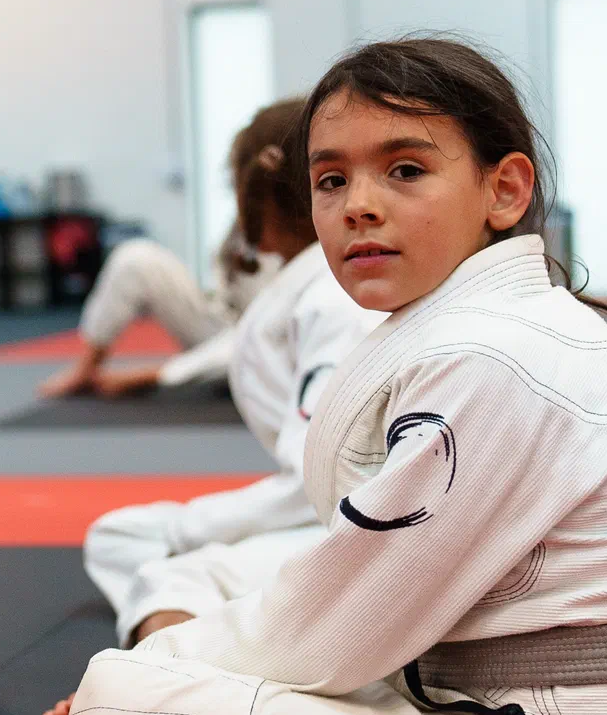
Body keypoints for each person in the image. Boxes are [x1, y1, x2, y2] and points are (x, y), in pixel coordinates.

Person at [38, 39, 607, 715]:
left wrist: (160, 672)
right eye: (331, 181)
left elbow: (329, 634)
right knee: (194, 644)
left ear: (503, 191)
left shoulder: (496, 360)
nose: (359, 206)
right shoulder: (490, 331)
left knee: (118, 706)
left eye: (404, 170)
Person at [21, 99, 386, 663]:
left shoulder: (333, 298)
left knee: (155, 568)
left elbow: (326, 482)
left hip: (359, 536)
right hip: (345, 519)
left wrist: (197, 526)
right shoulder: (313, 285)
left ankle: (189, 678)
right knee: (117, 538)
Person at [35, 179, 289, 398]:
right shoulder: (244, 221)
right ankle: (87, 366)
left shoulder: (292, 233)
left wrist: (155, 375)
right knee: (135, 259)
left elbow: (256, 337)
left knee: (254, 338)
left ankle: (191, 371)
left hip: (264, 356)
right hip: (224, 324)